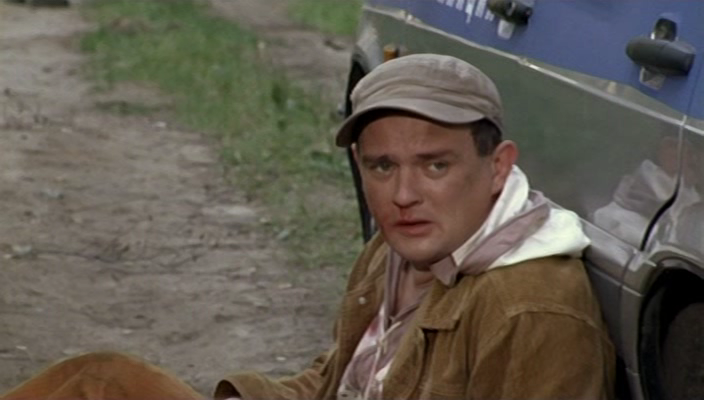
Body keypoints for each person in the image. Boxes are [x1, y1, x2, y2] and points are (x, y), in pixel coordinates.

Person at [1, 54, 615, 400]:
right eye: (382, 166)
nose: (403, 194)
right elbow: (339, 381)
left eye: (435, 165)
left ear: (497, 167)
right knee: (101, 382)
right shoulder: (400, 248)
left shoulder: (531, 309)